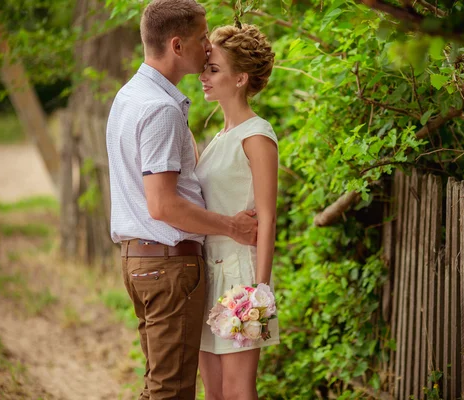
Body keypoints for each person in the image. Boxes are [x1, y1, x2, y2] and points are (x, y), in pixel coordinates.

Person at [105, 1, 258, 398]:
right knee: (171, 391)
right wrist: (232, 226)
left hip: (140, 261)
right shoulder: (160, 108)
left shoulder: (129, 96)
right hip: (168, 267)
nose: (207, 46)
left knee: (159, 384)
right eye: (201, 38)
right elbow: (163, 206)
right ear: (176, 45)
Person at [196, 23, 280, 400]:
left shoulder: (257, 136)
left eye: (213, 69)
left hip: (240, 278)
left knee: (237, 391)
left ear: (241, 78)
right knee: (213, 391)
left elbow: (267, 218)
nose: (203, 76)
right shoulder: (217, 137)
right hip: (207, 273)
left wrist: (259, 294)